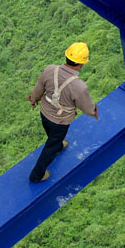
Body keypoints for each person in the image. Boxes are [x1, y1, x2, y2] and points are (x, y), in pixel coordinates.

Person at [26, 42, 98, 182]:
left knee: (53, 137)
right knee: (51, 145)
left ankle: (58, 145)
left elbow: (39, 87)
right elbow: (86, 107)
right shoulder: (79, 86)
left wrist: (34, 99)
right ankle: (36, 175)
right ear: (81, 64)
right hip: (60, 121)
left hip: (44, 112)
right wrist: (94, 112)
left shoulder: (50, 69)